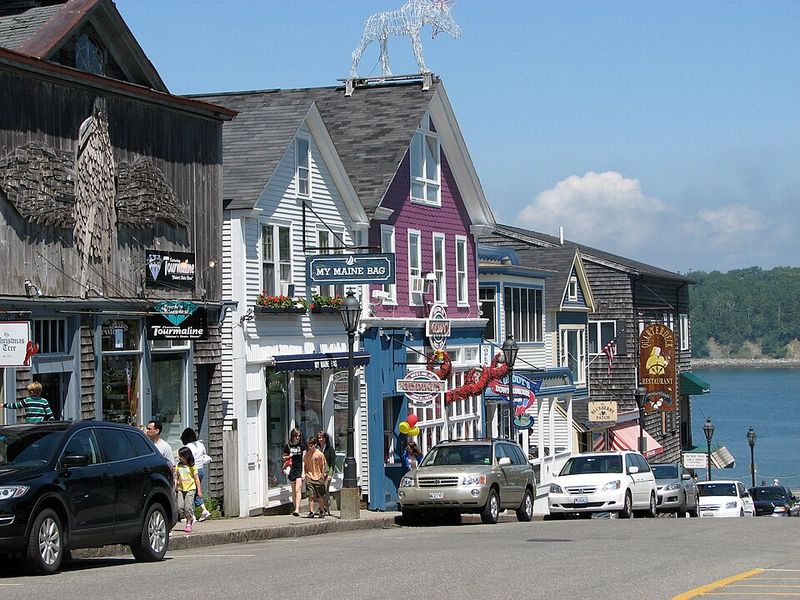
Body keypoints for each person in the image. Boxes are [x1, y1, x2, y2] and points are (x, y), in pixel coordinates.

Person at [181, 427, 212, 522]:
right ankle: (203, 510)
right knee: (194, 492)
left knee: (190, 492)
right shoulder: (200, 444)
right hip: (201, 469)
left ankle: (192, 515)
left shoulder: (188, 447)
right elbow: (204, 454)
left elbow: (187, 459)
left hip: (192, 471)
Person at [175, 446, 202, 533]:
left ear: (186, 456)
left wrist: (199, 490)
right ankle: (186, 517)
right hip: (181, 488)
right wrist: (175, 485)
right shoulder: (178, 466)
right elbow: (177, 477)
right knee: (180, 507)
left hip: (190, 488)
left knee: (188, 507)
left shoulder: (192, 466)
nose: (179, 457)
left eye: (181, 455)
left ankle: (189, 522)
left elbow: (196, 478)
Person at [302, 436, 328, 518]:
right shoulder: (306, 454)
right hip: (309, 476)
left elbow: (323, 465)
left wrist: (323, 475)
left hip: (318, 476)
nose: (310, 447)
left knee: (320, 496)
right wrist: (304, 473)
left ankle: (321, 509)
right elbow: (304, 464)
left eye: (311, 445)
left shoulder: (319, 454)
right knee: (311, 495)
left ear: (315, 445)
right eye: (308, 445)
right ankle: (311, 512)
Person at [282, 428, 306, 516]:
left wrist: (303, 472)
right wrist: (289, 456)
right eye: (296, 436)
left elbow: (304, 459)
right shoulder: (288, 446)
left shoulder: (302, 445)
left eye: (299, 436)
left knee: (297, 489)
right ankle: (295, 506)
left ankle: (297, 509)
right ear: (292, 436)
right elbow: (283, 458)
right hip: (291, 469)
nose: (298, 438)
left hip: (299, 468)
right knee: (293, 490)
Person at [317, 431, 334, 516]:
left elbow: (332, 462)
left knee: (325, 489)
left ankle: (326, 507)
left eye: (322, 438)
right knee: (320, 490)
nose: (320, 439)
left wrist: (330, 474)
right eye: (319, 438)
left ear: (325, 438)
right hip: (318, 472)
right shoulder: (317, 448)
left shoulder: (329, 448)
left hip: (327, 472)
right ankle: (322, 507)